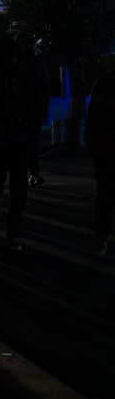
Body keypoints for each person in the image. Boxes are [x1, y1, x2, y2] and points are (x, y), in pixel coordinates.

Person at [0, 37, 44, 250]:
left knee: (18, 190)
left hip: (18, 141)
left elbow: (37, 108)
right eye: (7, 56)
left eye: (14, 55)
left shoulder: (25, 79)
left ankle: (13, 232)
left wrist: (23, 122)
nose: (11, 59)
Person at [85, 61, 115, 256]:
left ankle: (101, 240)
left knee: (105, 197)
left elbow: (93, 121)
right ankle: (100, 239)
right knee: (105, 197)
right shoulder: (105, 83)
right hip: (108, 150)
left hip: (107, 150)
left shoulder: (104, 82)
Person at [16, 33, 50, 186]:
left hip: (34, 108)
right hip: (18, 108)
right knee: (20, 142)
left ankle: (34, 172)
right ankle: (22, 173)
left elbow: (45, 85)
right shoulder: (15, 61)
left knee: (33, 142)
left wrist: (44, 107)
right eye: (22, 41)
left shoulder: (36, 62)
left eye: (26, 41)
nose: (25, 44)